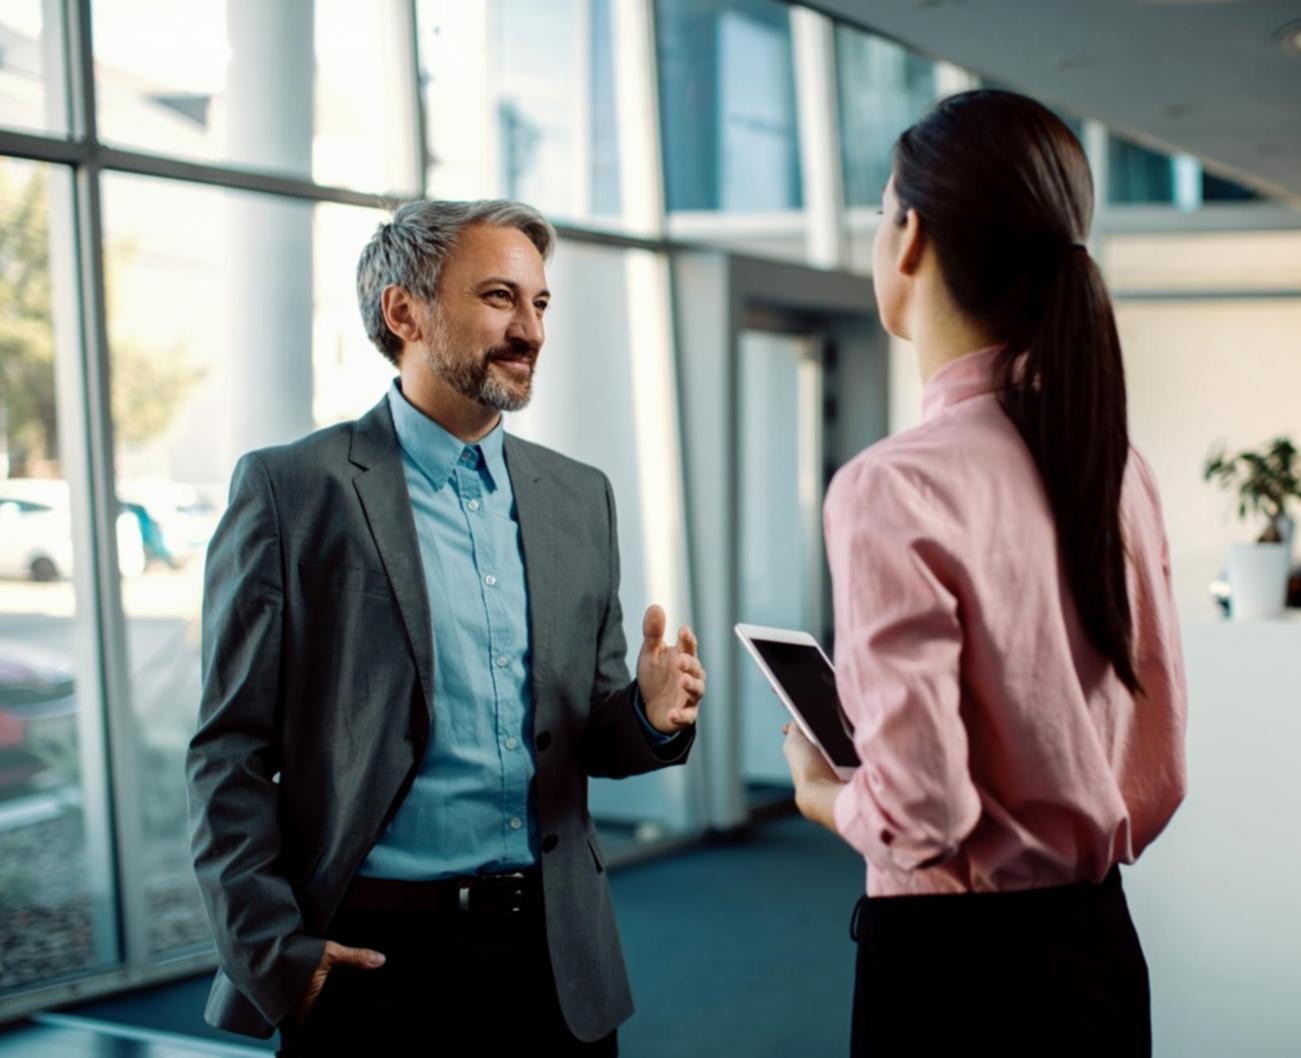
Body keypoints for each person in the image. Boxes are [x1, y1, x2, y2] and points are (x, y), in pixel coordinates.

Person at [186, 199, 706, 1056]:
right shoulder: (294, 491)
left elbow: (594, 739)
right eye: (500, 297)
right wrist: (275, 955)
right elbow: (229, 751)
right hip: (375, 967)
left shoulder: (579, 497)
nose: (530, 329)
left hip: (557, 963)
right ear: (405, 312)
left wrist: (650, 713)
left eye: (540, 304)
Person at [780, 89, 1188, 1057]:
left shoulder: (891, 486)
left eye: (882, 209)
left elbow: (922, 814)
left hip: (956, 975)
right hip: (1094, 948)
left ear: (909, 233)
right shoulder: (1117, 464)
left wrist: (820, 790)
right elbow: (1158, 776)